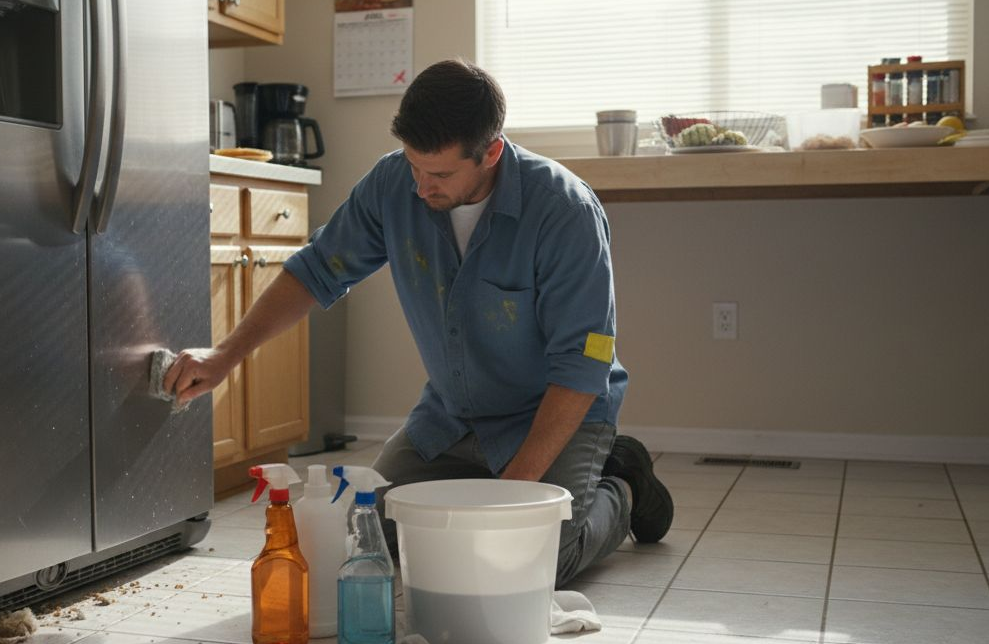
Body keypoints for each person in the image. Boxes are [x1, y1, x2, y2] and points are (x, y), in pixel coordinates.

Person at [164, 58, 671, 585]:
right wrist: (224, 355)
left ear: (491, 153)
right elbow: (314, 272)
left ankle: (623, 485)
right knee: (365, 535)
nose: (423, 187)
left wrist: (511, 498)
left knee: (534, 559)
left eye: (442, 174)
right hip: (453, 415)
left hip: (551, 415)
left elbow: (581, 366)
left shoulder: (564, 211)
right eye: (414, 166)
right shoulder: (392, 184)